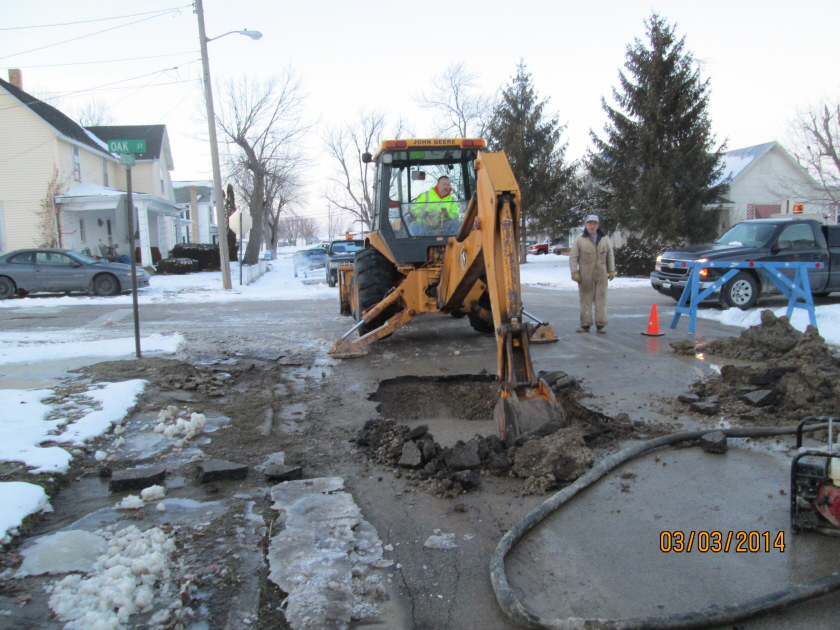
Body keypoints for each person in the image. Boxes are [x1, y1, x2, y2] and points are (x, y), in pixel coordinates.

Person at [569, 214, 616, 333]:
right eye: (590, 223)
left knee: (601, 300)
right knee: (586, 300)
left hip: (601, 274)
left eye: (594, 224)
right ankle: (585, 325)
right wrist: (574, 272)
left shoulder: (605, 239)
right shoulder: (580, 239)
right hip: (585, 274)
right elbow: (573, 257)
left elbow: (610, 256)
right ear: (586, 225)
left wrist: (611, 270)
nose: (592, 226)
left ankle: (601, 325)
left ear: (598, 226)